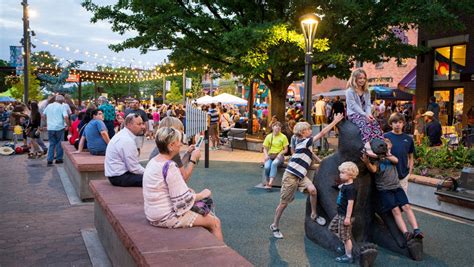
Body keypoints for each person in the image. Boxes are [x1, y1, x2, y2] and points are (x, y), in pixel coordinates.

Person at [270, 113, 344, 239]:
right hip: (291, 176)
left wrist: (320, 161)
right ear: (303, 132)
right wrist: (334, 122)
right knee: (284, 203)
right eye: (309, 129)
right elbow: (321, 134)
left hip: (301, 176)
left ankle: (314, 215)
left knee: (313, 190)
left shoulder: (305, 144)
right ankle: (274, 225)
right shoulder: (303, 141)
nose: (311, 130)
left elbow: (310, 154)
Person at [143, 127, 223, 241]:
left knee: (194, 196)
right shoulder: (170, 166)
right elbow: (183, 201)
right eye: (178, 141)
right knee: (215, 222)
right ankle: (219, 256)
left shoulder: (154, 161)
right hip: (165, 217)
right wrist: (204, 194)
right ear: (171, 146)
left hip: (152, 213)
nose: (181, 144)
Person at [361, 139, 424, 242]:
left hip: (397, 187)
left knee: (407, 206)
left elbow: (396, 160)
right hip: (385, 190)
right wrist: (367, 162)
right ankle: (405, 233)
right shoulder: (376, 161)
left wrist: (386, 154)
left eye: (387, 144)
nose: (385, 146)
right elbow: (373, 169)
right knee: (395, 210)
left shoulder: (391, 157)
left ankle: (416, 230)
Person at [345, 68, 384, 157]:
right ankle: (367, 147)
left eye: (364, 78)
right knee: (365, 123)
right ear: (354, 79)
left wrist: (369, 115)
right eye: (360, 78)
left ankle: (379, 145)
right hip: (353, 114)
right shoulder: (349, 91)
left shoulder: (366, 91)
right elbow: (353, 106)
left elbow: (367, 105)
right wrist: (365, 115)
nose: (362, 80)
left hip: (365, 114)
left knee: (375, 123)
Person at [149, 117, 201, 182]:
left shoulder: (160, 147)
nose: (181, 142)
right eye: (179, 135)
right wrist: (193, 159)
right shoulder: (172, 151)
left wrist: (187, 154)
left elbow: (177, 165)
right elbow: (183, 178)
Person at [328, 161, 358, 264]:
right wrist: (339, 186)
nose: (340, 174)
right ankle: (346, 245)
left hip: (345, 216)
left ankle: (348, 256)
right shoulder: (345, 185)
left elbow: (350, 203)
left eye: (342, 173)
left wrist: (348, 218)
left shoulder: (351, 189)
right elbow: (341, 187)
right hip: (340, 214)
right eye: (340, 172)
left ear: (350, 175)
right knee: (332, 228)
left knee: (346, 237)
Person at [105, 113, 146, 187]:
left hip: (116, 174)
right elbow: (134, 168)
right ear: (129, 125)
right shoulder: (126, 140)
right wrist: (149, 173)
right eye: (139, 124)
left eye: (142, 123)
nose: (143, 127)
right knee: (154, 180)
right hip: (119, 177)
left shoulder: (123, 135)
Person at [384, 113, 414, 193]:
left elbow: (411, 156)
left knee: (403, 201)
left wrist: (410, 171)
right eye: (395, 122)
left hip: (403, 174)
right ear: (391, 124)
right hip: (388, 174)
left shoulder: (408, 139)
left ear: (403, 124)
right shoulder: (385, 137)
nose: (398, 124)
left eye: (400, 122)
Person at [43, 95, 70, 166]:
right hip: (59, 128)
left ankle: (49, 160)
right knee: (59, 143)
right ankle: (59, 159)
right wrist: (68, 125)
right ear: (62, 101)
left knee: (51, 144)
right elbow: (66, 117)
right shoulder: (62, 107)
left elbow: (43, 115)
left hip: (50, 128)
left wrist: (47, 122)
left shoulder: (49, 106)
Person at [262, 122, 289, 190]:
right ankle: (267, 181)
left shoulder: (283, 137)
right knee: (267, 167)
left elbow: (286, 150)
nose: (278, 127)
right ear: (272, 127)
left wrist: (280, 154)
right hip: (270, 156)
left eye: (279, 126)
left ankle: (270, 183)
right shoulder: (269, 136)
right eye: (276, 126)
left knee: (274, 164)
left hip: (279, 156)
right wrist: (266, 156)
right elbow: (265, 148)